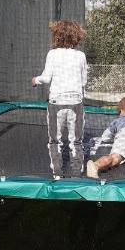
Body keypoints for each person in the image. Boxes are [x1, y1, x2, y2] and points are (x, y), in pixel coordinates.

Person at [32, 20, 87, 178]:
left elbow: (47, 78)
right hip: (76, 102)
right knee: (76, 140)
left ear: (57, 36)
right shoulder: (81, 56)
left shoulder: (53, 54)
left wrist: (35, 80)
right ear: (77, 37)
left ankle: (57, 173)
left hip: (56, 102)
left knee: (55, 140)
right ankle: (76, 173)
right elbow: (83, 81)